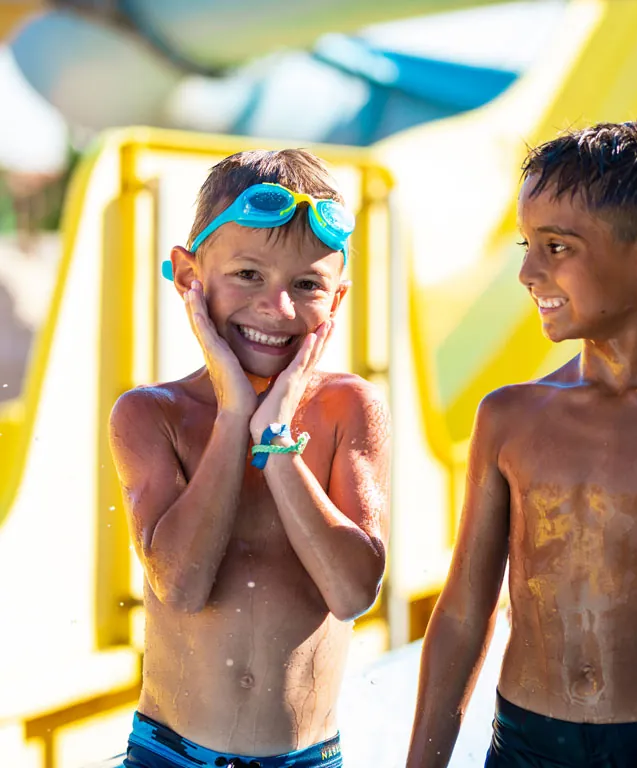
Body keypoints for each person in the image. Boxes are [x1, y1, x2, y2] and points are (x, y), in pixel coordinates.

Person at [405, 121, 637, 768]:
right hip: (527, 747)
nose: (528, 271)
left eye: (556, 247)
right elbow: (465, 614)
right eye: (528, 244)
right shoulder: (511, 418)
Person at [107, 149, 391, 768]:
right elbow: (181, 587)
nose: (278, 308)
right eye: (248, 274)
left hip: (307, 759)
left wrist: (278, 439)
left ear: (336, 301)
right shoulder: (152, 415)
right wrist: (234, 416)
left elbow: (351, 591)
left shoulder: (349, 408)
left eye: (307, 285)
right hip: (169, 756)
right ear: (189, 276)